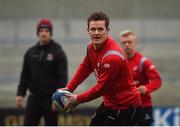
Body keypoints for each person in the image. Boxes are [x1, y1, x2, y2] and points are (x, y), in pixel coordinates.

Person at [58, 12, 142, 126]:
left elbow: (101, 88)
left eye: (100, 29)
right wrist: (69, 88)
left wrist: (78, 99)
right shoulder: (90, 47)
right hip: (109, 103)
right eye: (93, 29)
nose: (96, 33)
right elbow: (85, 67)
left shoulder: (113, 57)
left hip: (126, 107)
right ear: (88, 30)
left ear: (107, 30)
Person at [16, 19, 68, 126]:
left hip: (50, 100)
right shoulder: (30, 52)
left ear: (50, 33)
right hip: (33, 98)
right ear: (38, 33)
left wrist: (57, 100)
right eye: (41, 31)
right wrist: (20, 94)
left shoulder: (58, 52)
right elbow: (25, 75)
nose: (43, 33)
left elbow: (62, 78)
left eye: (46, 31)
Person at [119, 30, 162, 125]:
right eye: (124, 42)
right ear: (120, 45)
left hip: (143, 106)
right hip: (124, 107)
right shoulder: (118, 62)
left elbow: (157, 81)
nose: (126, 45)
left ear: (135, 43)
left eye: (129, 42)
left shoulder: (143, 62)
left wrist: (146, 88)